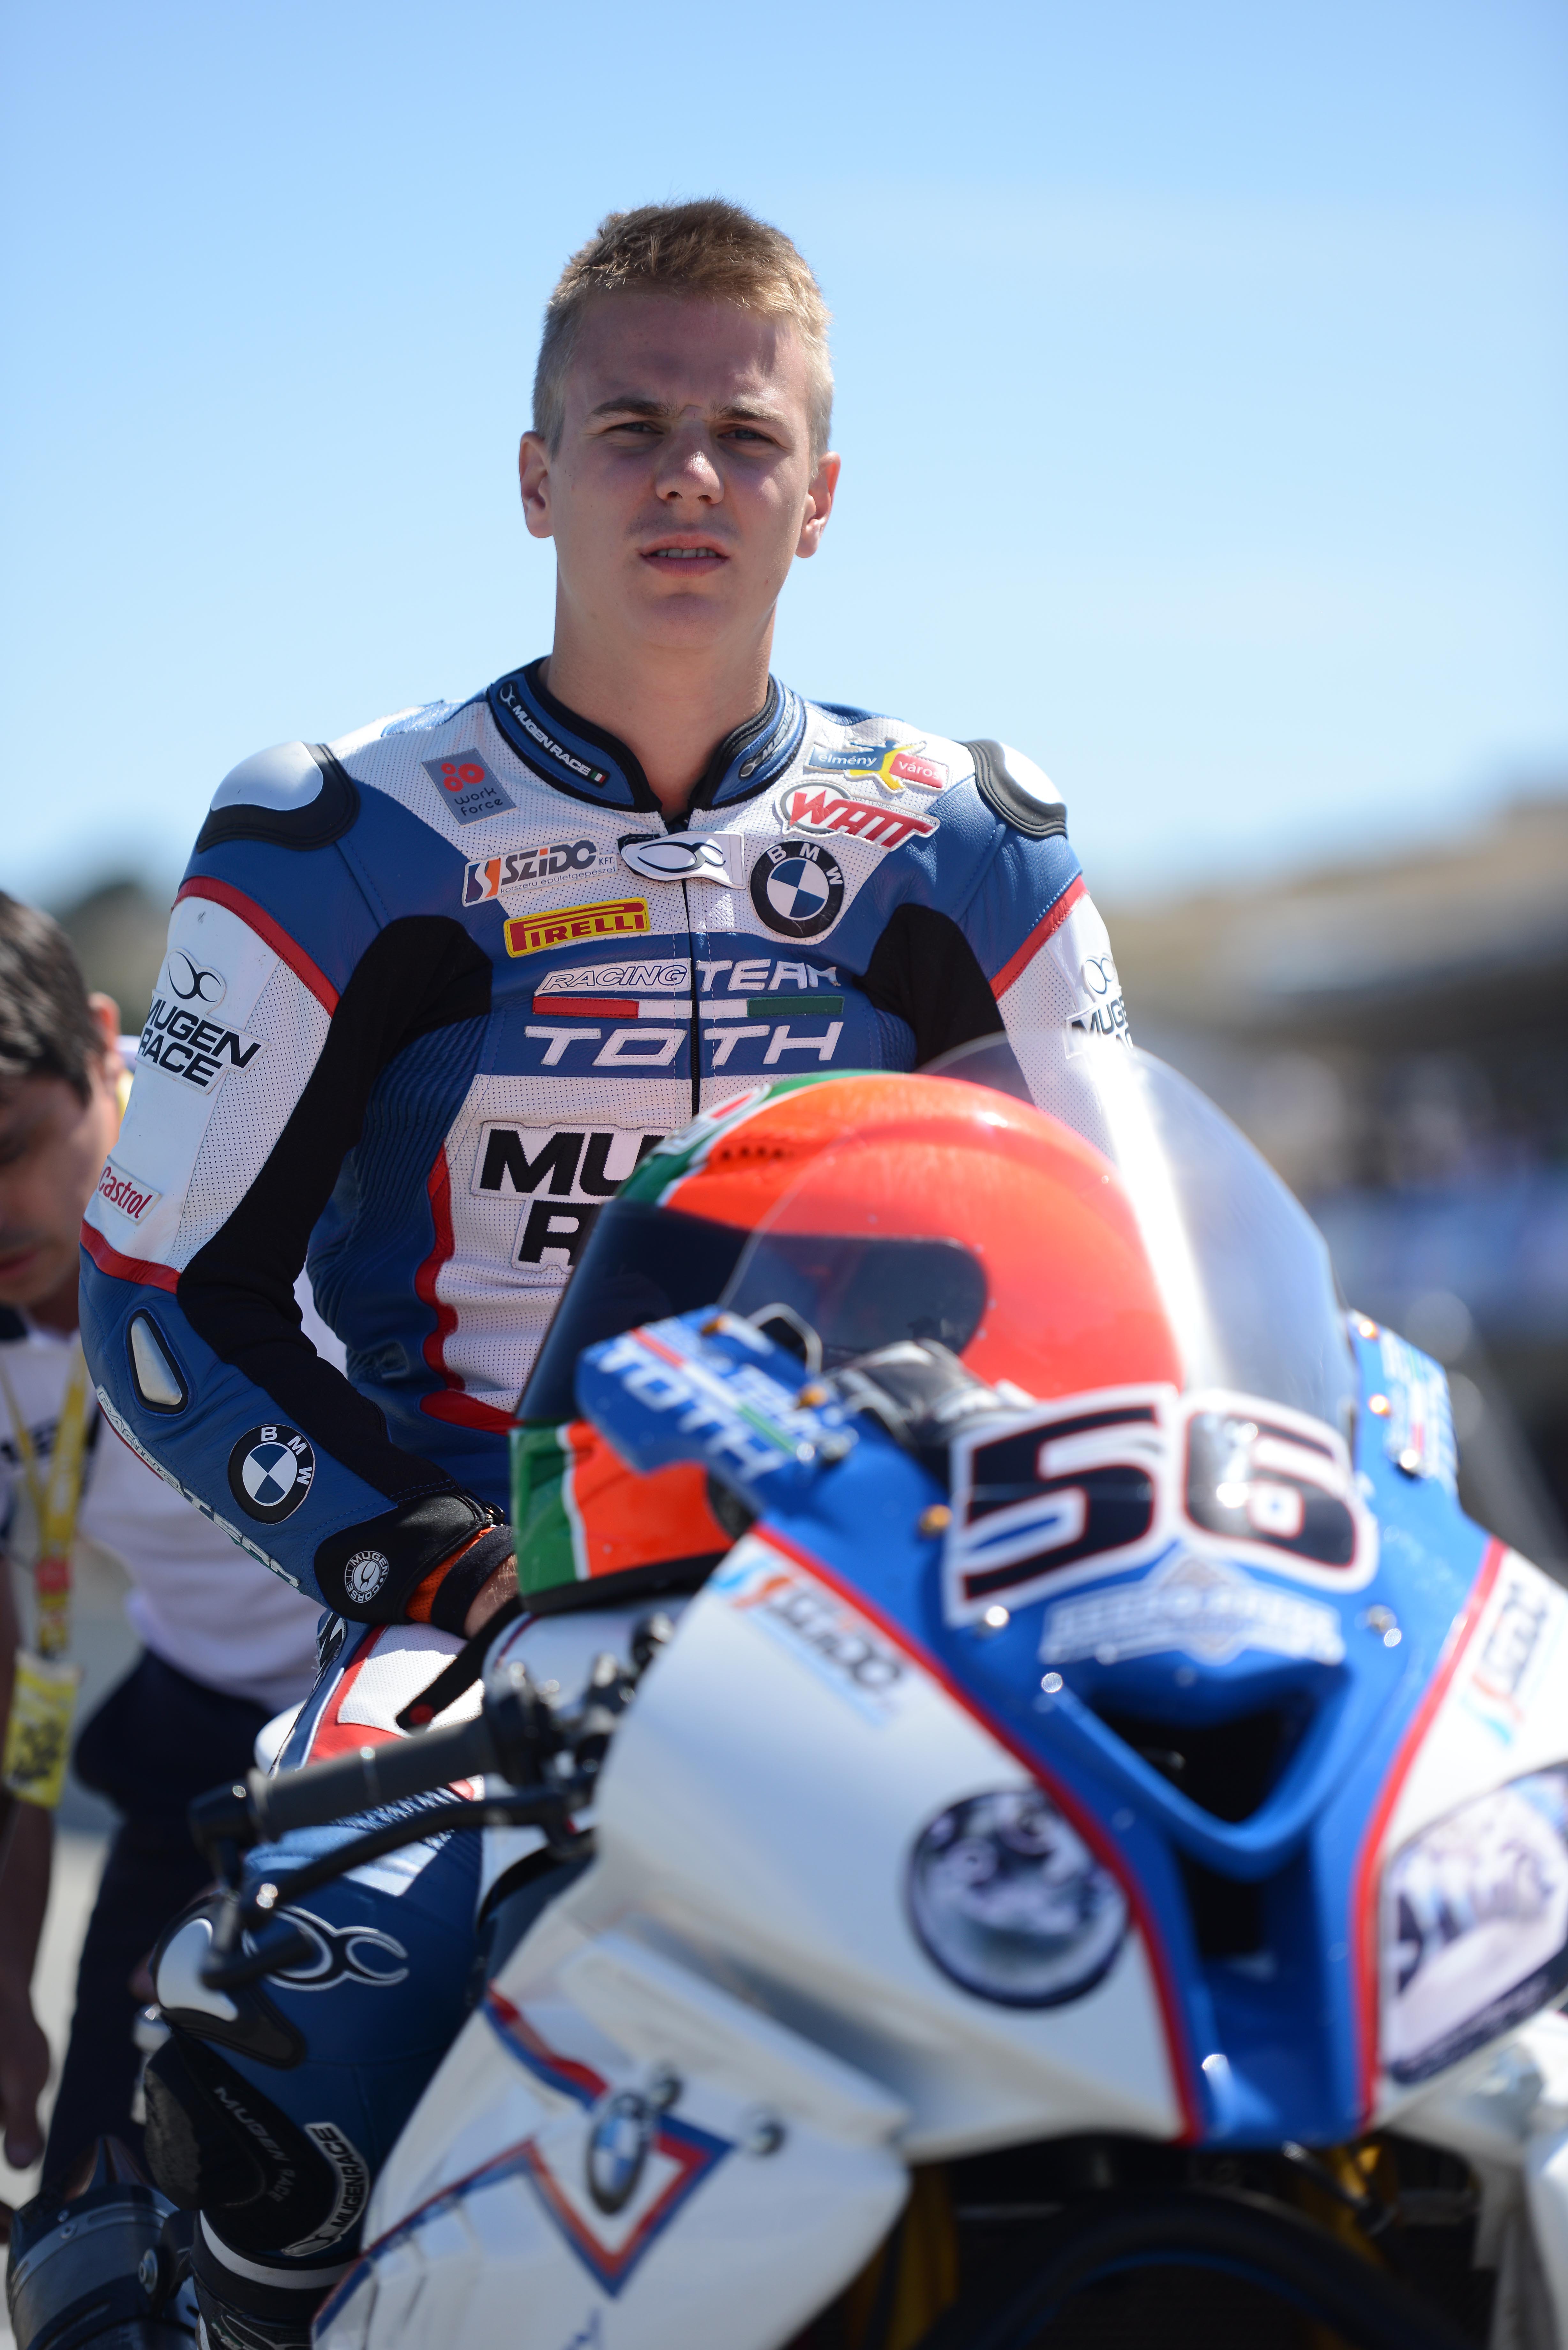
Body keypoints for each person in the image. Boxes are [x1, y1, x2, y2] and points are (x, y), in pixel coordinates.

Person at [76, 198, 1132, 2344]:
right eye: (631, 429)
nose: (687, 479)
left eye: (745, 438)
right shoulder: (338, 837)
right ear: (535, 475)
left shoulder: (968, 839)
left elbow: (1138, 1269)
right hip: (483, 1597)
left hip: (885, 1583)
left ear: (818, 497)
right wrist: (436, 1563)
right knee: (311, 2048)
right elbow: (159, 1305)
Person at [0, 895, 325, 2192]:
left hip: (414, 1722)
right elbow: (15, 1701)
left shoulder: (287, 1167)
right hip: (192, 1739)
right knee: (92, 2216)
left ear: (101, 1042)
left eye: (12, 1144)